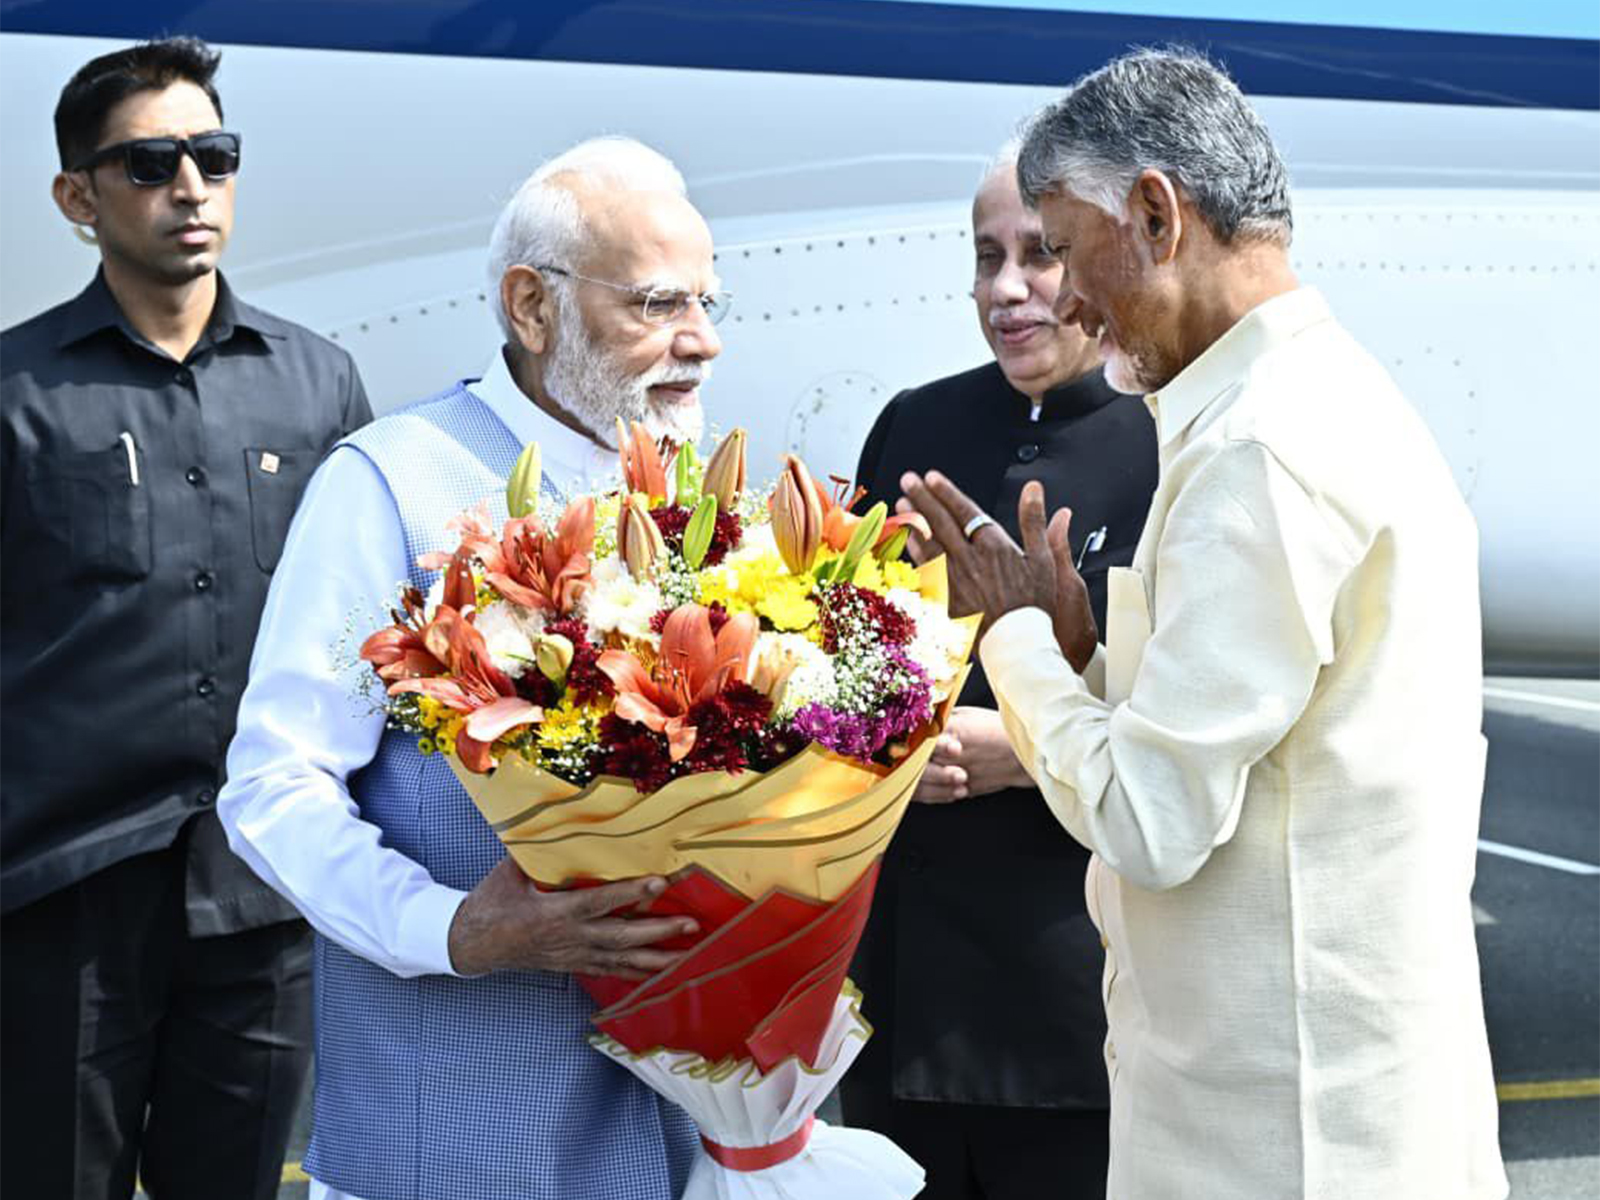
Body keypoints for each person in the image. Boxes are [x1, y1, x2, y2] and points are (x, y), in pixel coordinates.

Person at [898, 49, 1507, 1200]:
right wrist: (1086, 660)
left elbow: (1152, 821)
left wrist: (1015, 642)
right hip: (1319, 1103)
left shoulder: (1256, 450)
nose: (1065, 298)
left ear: (1155, 214)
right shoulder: (1309, 399)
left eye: (1068, 251)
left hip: (1281, 1133)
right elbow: (1274, 735)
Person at [217, 136, 728, 1200]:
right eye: (657, 305)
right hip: (442, 1144)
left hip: (665, 1141)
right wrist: (451, 929)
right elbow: (274, 788)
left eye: (709, 304)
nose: (701, 342)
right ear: (531, 308)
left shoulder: (693, 501)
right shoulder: (386, 485)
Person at [0, 37, 371, 1200]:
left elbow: (371, 632)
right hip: (64, 894)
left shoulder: (318, 385)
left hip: (262, 886)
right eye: (150, 163)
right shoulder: (17, 394)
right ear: (78, 197)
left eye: (213, 156)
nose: (190, 188)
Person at [841, 142, 1156, 1199]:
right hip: (901, 998)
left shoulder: (1166, 444)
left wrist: (1023, 748)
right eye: (985, 259)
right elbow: (831, 645)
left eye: (1039, 255)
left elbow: (1199, 713)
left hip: (1075, 1004)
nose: (1006, 290)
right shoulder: (914, 425)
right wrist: (882, 733)